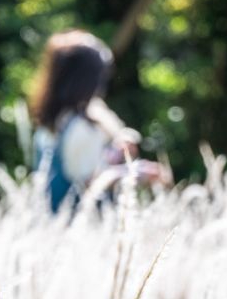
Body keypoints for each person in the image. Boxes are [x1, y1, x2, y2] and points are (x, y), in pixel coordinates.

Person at [30, 30, 169, 213]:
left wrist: (114, 153)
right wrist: (136, 172)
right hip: (79, 229)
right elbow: (89, 182)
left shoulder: (54, 121)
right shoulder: (80, 127)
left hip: (53, 227)